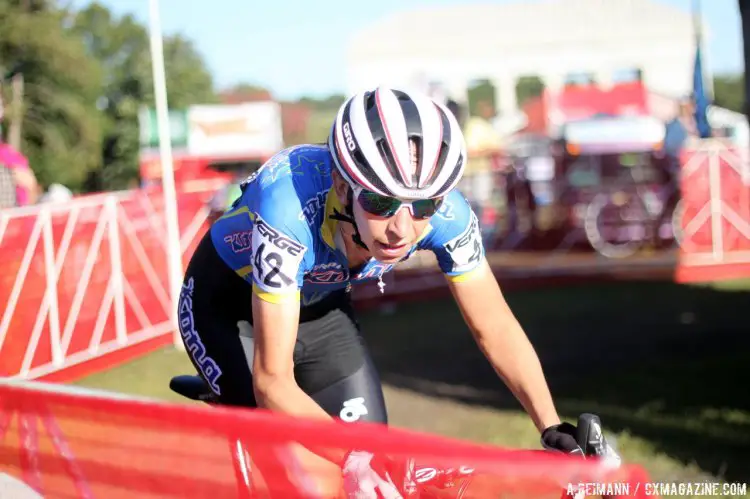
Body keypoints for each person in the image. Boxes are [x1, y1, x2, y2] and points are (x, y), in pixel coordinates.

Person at [177, 86, 617, 497]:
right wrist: (352, 456)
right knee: (294, 478)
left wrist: (550, 424)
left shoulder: (451, 217)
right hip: (227, 307)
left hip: (320, 310)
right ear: (343, 186)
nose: (402, 229)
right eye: (382, 203)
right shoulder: (289, 203)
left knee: (382, 474)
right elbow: (272, 381)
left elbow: (494, 325)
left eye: (424, 205)